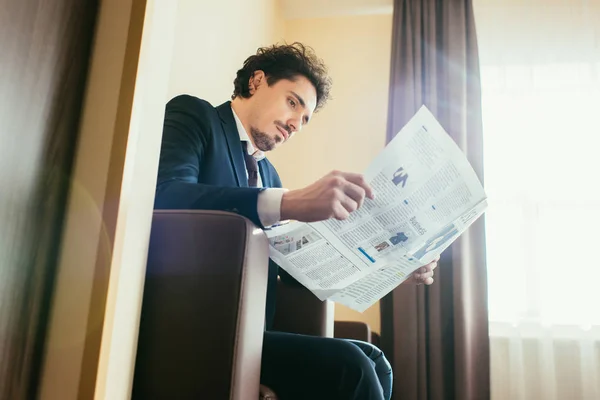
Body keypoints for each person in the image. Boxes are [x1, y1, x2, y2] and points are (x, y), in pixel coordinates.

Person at [154, 42, 438, 400]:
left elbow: (292, 268)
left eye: (305, 119)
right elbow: (166, 195)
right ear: (256, 82)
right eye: (293, 102)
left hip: (253, 332)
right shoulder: (195, 117)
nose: (295, 125)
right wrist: (288, 202)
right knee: (351, 366)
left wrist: (392, 269)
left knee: (375, 359)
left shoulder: (269, 175)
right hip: (195, 324)